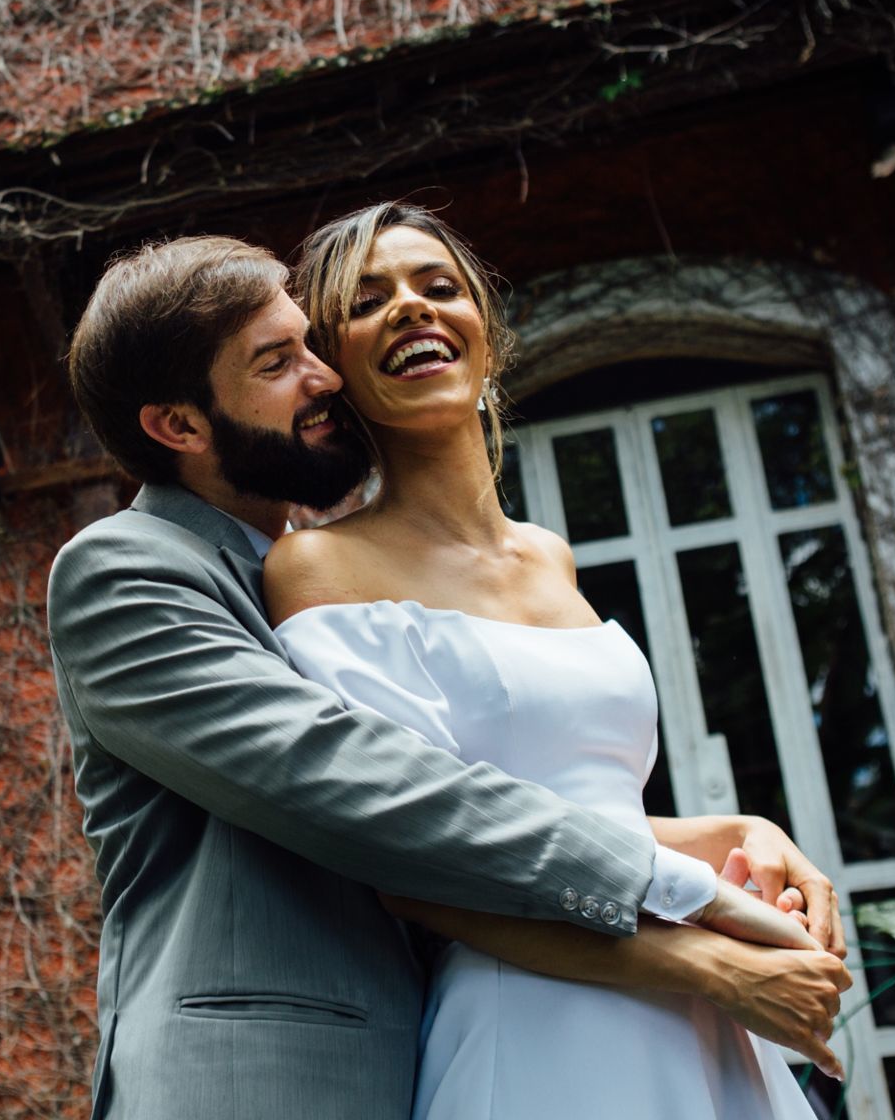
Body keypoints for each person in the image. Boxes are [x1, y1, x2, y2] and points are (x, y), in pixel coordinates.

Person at [47, 234, 850, 1120]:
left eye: (313, 347)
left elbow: (504, 794)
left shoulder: (305, 561)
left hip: (447, 1038)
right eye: (280, 362)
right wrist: (689, 910)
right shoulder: (124, 570)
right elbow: (356, 781)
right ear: (181, 426)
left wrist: (728, 832)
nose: (323, 379)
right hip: (258, 1077)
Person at [270, 200, 842, 1118]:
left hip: (693, 1015)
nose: (412, 308)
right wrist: (716, 967)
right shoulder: (323, 567)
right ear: (332, 368)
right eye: (369, 301)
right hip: (536, 1018)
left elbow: (571, 813)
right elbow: (417, 865)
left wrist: (737, 832)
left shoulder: (550, 556)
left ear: (484, 333)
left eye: (438, 286)